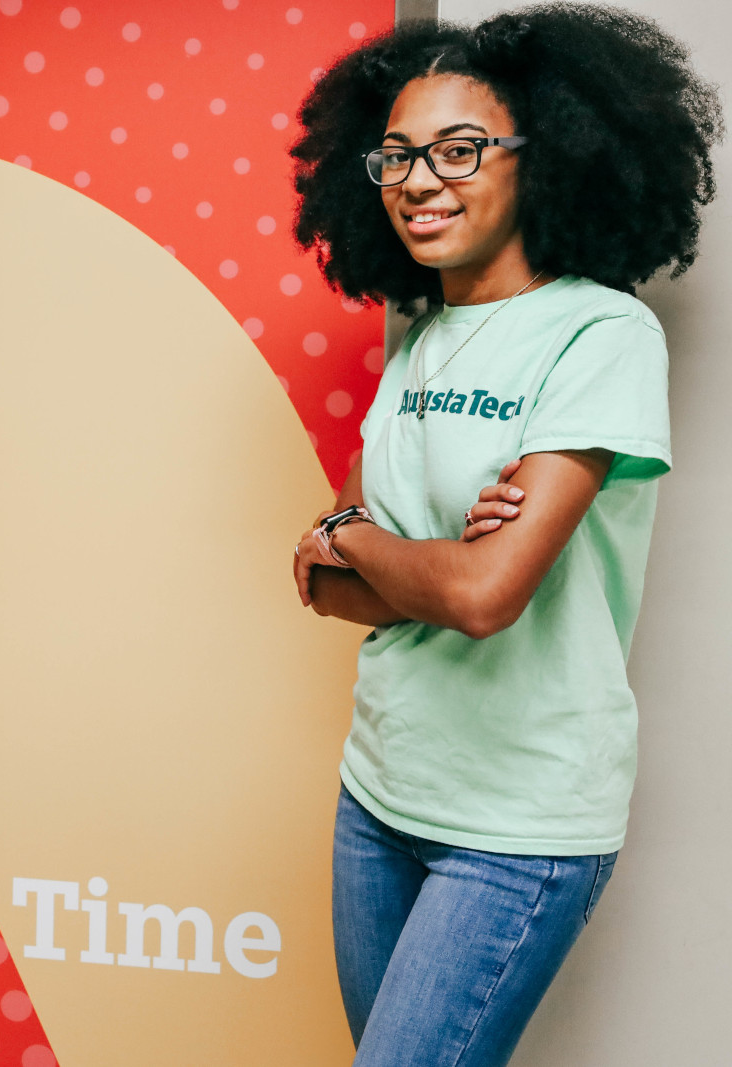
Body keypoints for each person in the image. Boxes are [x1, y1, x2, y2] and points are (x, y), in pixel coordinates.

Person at [287, 6, 720, 1064]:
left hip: (516, 824)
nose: (419, 179)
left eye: (459, 148)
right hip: (379, 789)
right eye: (395, 155)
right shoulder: (422, 341)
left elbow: (485, 597)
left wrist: (365, 539)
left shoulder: (600, 333)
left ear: (547, 156)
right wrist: (391, 551)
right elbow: (320, 584)